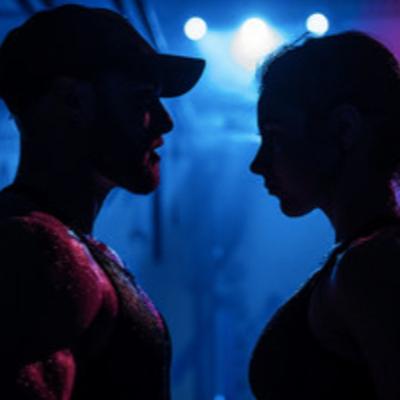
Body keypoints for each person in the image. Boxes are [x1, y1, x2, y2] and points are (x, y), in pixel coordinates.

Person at [0, 4, 204, 399]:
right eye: (143, 98)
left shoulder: (57, 244)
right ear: (72, 101)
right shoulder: (35, 247)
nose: (166, 121)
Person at [249, 31, 400, 400]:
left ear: (344, 129)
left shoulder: (371, 266)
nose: (258, 164)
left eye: (274, 136)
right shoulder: (365, 260)